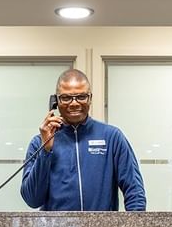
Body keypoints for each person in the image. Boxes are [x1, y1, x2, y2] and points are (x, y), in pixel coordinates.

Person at [20, 69, 146, 211]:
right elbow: (32, 199)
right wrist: (46, 150)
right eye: (66, 98)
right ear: (55, 101)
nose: (74, 103)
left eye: (81, 96)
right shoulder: (40, 142)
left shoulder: (112, 137)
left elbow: (135, 192)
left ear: (90, 98)